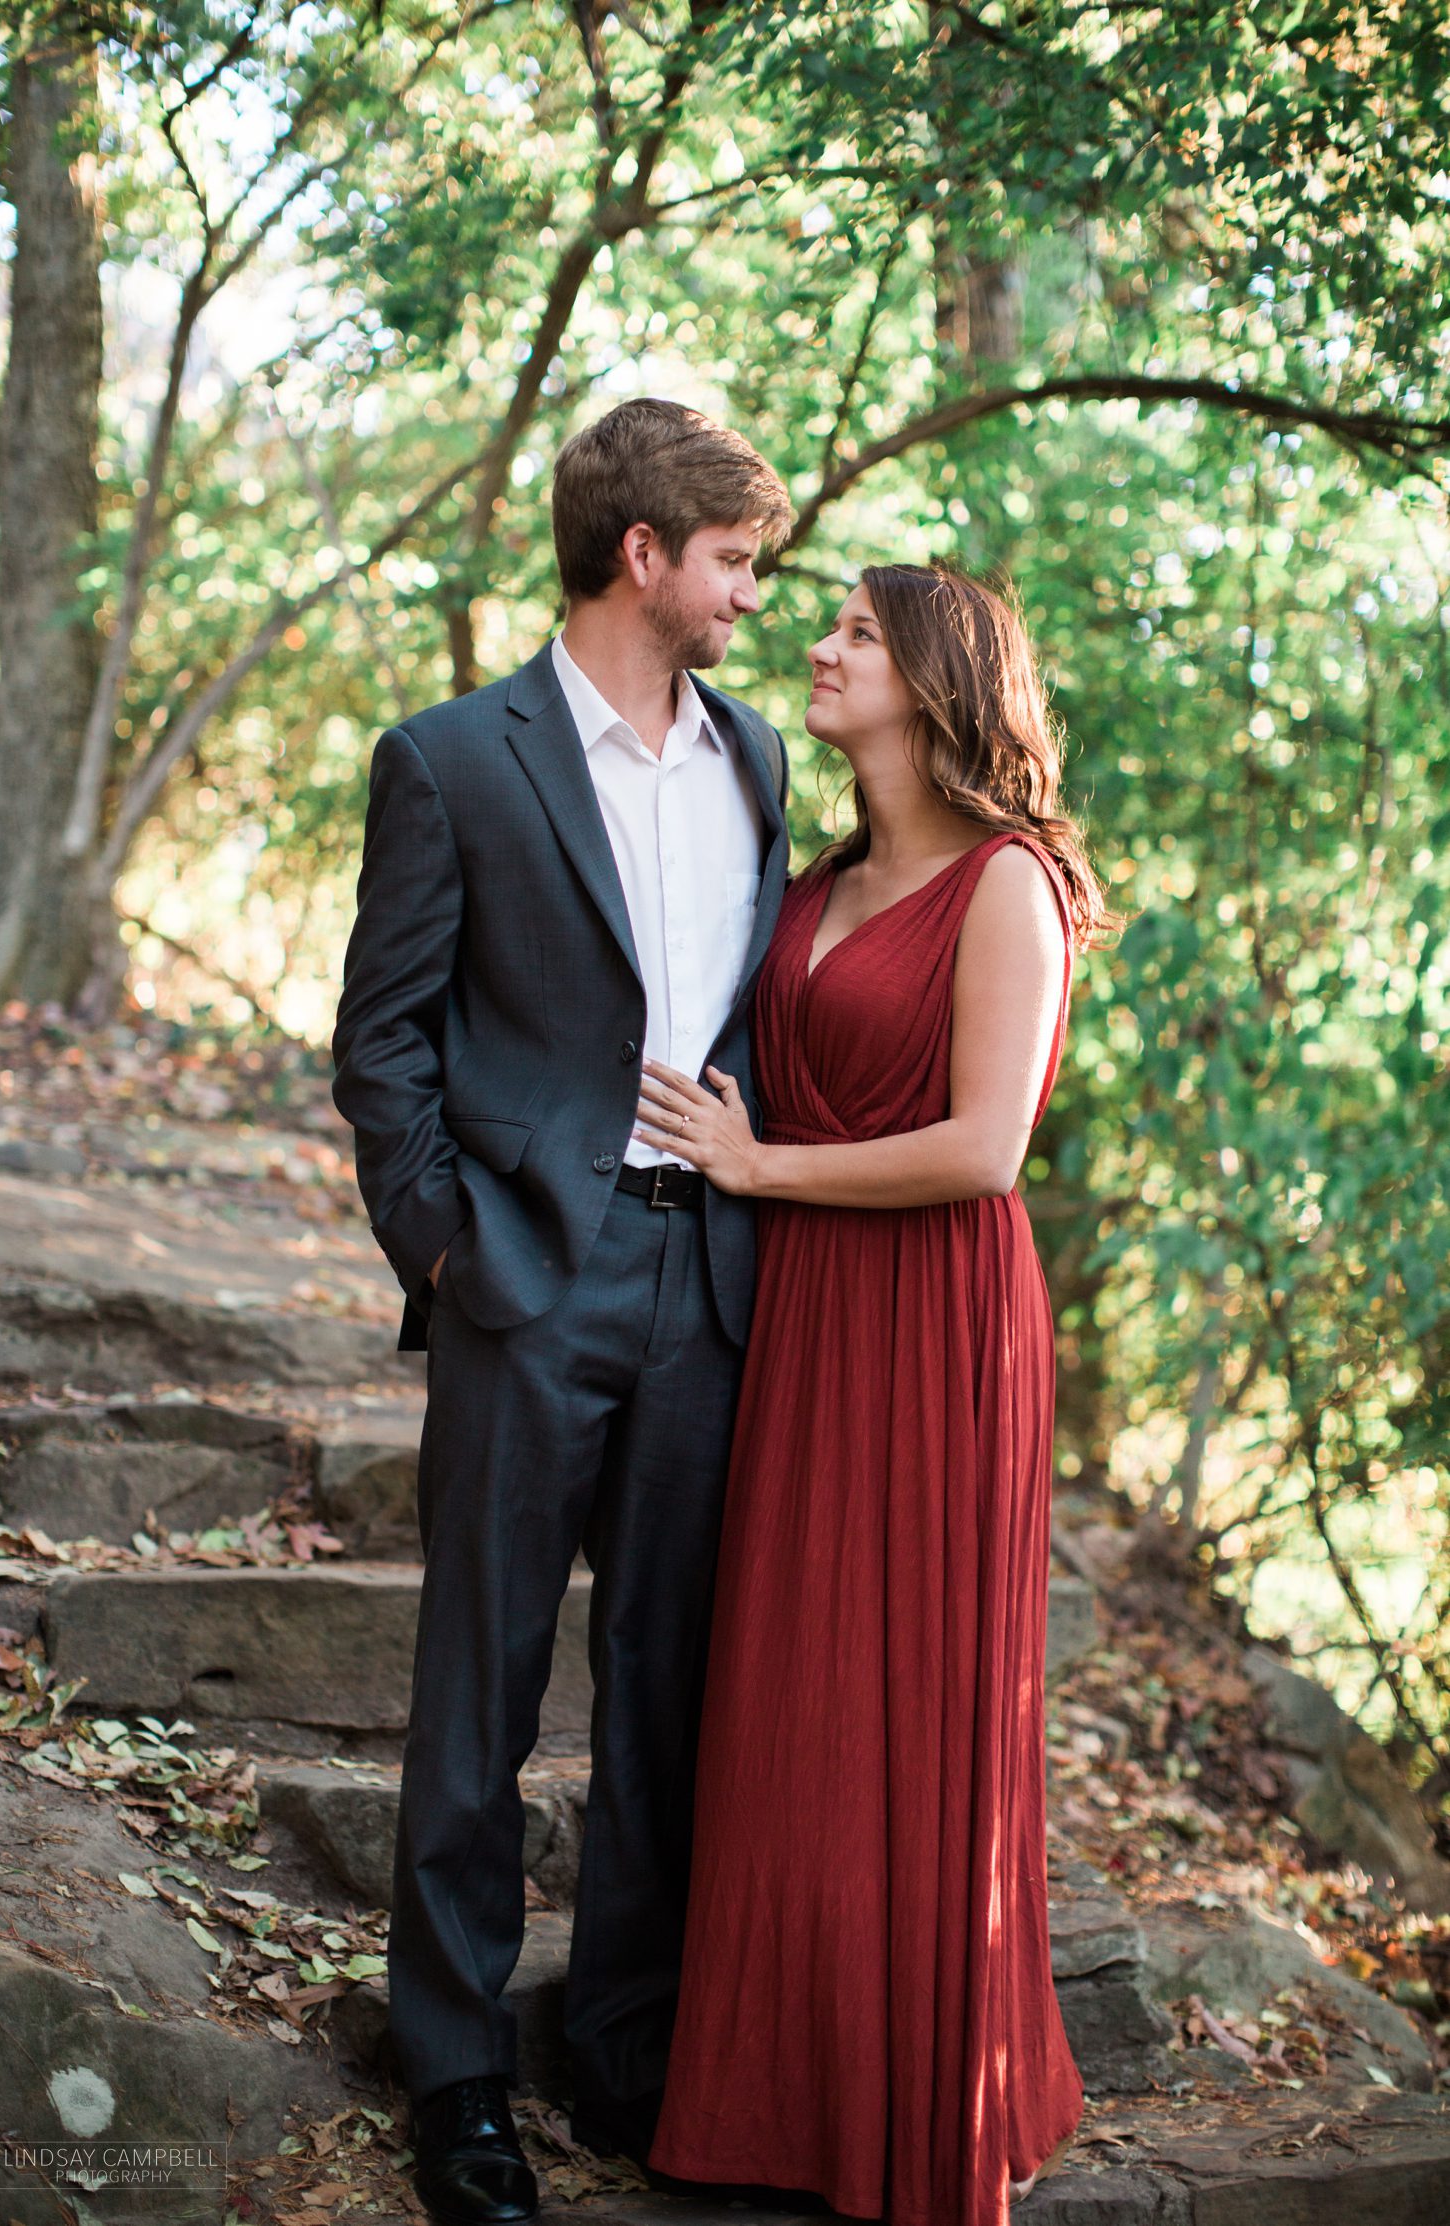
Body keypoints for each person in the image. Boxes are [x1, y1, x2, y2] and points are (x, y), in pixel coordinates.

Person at [330, 397, 793, 2226]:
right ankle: (453, 2078)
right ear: (644, 559)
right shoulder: (453, 757)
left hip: (710, 1281)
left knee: (667, 1695)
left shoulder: (755, 758)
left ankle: (622, 2048)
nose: (755, 596)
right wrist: (454, 1250)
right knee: (482, 1689)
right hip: (530, 1278)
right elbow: (383, 1051)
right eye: (738, 563)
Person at [636, 561, 1115, 2225]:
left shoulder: (1009, 884)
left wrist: (760, 1163)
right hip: (809, 1315)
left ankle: (919, 2104)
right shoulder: (816, 867)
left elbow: (986, 1148)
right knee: (796, 1706)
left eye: (851, 631)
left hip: (937, 1326)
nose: (819, 649)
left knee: (909, 1704)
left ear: (931, 679)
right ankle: (781, 2096)